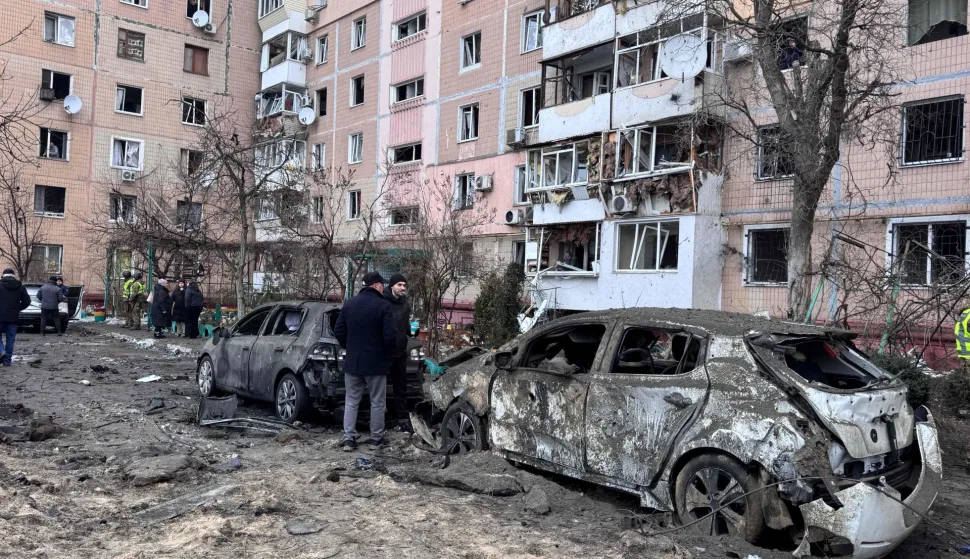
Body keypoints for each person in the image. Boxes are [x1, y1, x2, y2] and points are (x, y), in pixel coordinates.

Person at [334, 272, 397, 452]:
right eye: (381, 284)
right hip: (376, 363)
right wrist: (386, 353)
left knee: (351, 401)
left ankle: (349, 439)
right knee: (377, 402)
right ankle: (376, 439)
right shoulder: (383, 306)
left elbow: (338, 331)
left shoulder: (350, 304)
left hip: (353, 361)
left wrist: (350, 347)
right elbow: (390, 336)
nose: (383, 287)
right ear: (376, 285)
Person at [383, 273, 413, 432]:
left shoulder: (405, 304)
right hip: (384, 351)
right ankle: (381, 417)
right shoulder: (382, 302)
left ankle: (401, 418)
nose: (403, 288)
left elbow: (405, 326)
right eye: (400, 285)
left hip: (400, 351)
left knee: (400, 386)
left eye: (404, 285)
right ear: (392, 285)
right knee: (379, 386)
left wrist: (411, 331)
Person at [0, 269, 32, 367]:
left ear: (3, 275)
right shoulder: (20, 287)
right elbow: (27, 301)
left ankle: (1, 350)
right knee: (10, 340)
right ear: (14, 276)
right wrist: (17, 308)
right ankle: (7, 361)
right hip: (13, 318)